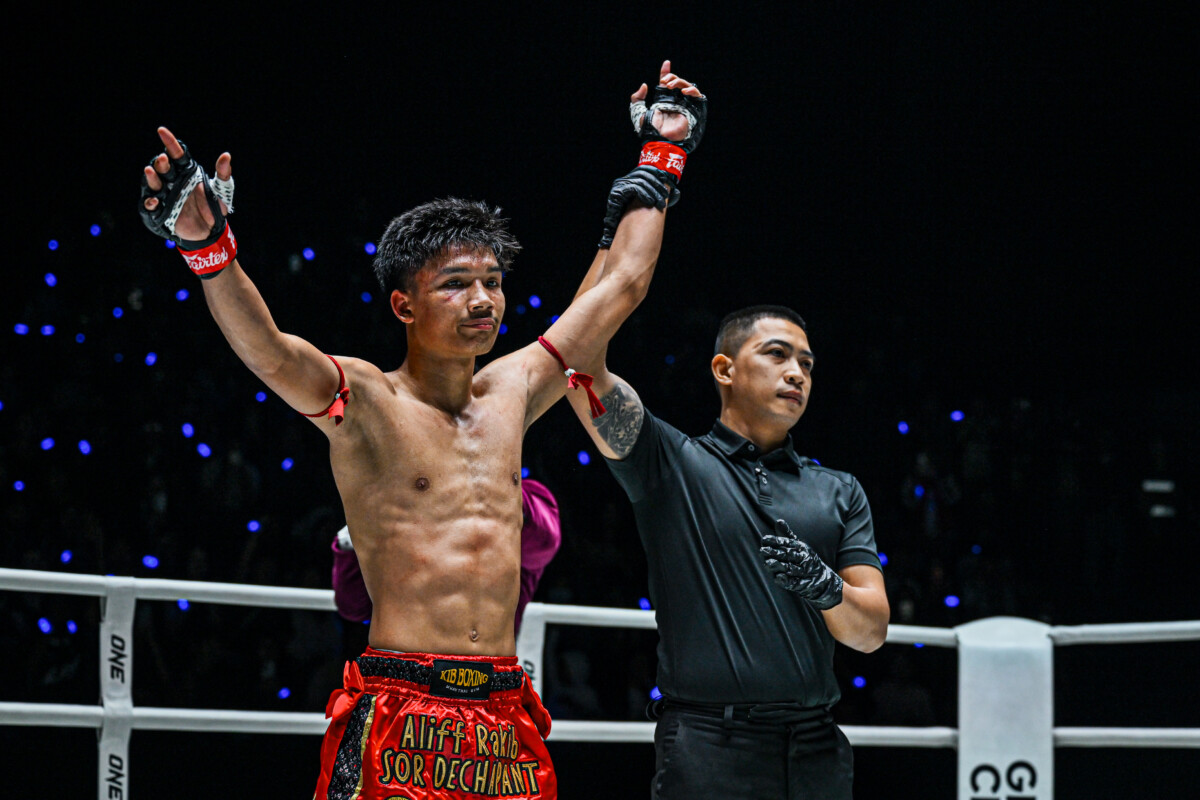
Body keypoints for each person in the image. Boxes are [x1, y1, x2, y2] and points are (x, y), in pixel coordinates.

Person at [136, 61, 705, 799]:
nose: (483, 300)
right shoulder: (366, 401)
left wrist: (663, 153)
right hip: (400, 710)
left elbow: (622, 284)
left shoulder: (514, 389)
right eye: (456, 284)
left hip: (503, 710)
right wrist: (209, 250)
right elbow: (270, 352)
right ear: (404, 305)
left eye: (492, 282)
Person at [562, 302, 890, 798]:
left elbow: (871, 633)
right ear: (724, 369)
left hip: (817, 749)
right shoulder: (672, 463)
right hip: (708, 746)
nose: (796, 373)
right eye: (777, 354)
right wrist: (623, 262)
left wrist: (826, 588)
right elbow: (577, 363)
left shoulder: (840, 490)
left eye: (806, 363)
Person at [331, 478, 561, 633]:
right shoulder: (400, 508)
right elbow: (354, 607)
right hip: (406, 673)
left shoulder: (526, 497)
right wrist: (354, 543)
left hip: (482, 673)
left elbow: (544, 544)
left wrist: (492, 489)